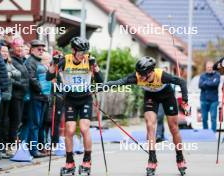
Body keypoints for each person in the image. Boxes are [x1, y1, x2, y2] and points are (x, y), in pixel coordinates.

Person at [101, 56, 190, 176]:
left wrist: (184, 101)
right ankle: (152, 159)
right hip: (151, 96)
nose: (141, 77)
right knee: (150, 125)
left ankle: (180, 157)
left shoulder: (162, 75)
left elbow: (181, 82)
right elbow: (119, 82)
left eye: (143, 74)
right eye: (139, 74)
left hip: (167, 96)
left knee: (173, 128)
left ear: (151, 72)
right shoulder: (137, 76)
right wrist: (100, 87)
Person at [47, 37, 103, 175]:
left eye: (85, 51)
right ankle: (70, 162)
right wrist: (53, 64)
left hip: (85, 99)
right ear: (73, 50)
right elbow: (49, 77)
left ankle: (87, 161)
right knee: (70, 130)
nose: (83, 54)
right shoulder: (65, 60)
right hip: (70, 99)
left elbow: (100, 80)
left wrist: (95, 67)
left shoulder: (90, 60)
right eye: (80, 52)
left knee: (84, 128)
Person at [0, 45, 21, 159]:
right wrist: (8, 75)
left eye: (6, 51)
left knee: (5, 123)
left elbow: (18, 73)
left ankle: (3, 147)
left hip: (8, 96)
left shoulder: (9, 63)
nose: (4, 53)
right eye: (2, 51)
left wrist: (9, 75)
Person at [25, 40, 50, 157]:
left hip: (43, 97)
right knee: (34, 124)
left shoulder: (38, 61)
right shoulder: (30, 62)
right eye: (38, 49)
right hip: (35, 97)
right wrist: (41, 90)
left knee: (39, 124)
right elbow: (32, 79)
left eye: (42, 49)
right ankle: (33, 150)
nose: (41, 51)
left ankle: (38, 148)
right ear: (32, 50)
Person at [9, 38, 29, 147]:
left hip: (21, 95)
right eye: (18, 46)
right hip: (15, 95)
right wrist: (22, 85)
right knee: (14, 121)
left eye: (21, 46)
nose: (20, 48)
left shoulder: (21, 60)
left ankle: (14, 142)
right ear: (12, 47)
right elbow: (11, 78)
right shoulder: (11, 60)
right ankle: (11, 144)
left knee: (18, 121)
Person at [199, 61, 220, 132]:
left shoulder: (217, 75)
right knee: (204, 118)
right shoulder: (202, 76)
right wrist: (211, 82)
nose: (209, 68)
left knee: (213, 117)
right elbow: (200, 85)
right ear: (206, 68)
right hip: (203, 99)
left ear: (213, 68)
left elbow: (215, 84)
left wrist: (205, 83)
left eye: (211, 67)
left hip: (214, 100)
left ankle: (213, 132)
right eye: (208, 67)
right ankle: (205, 132)